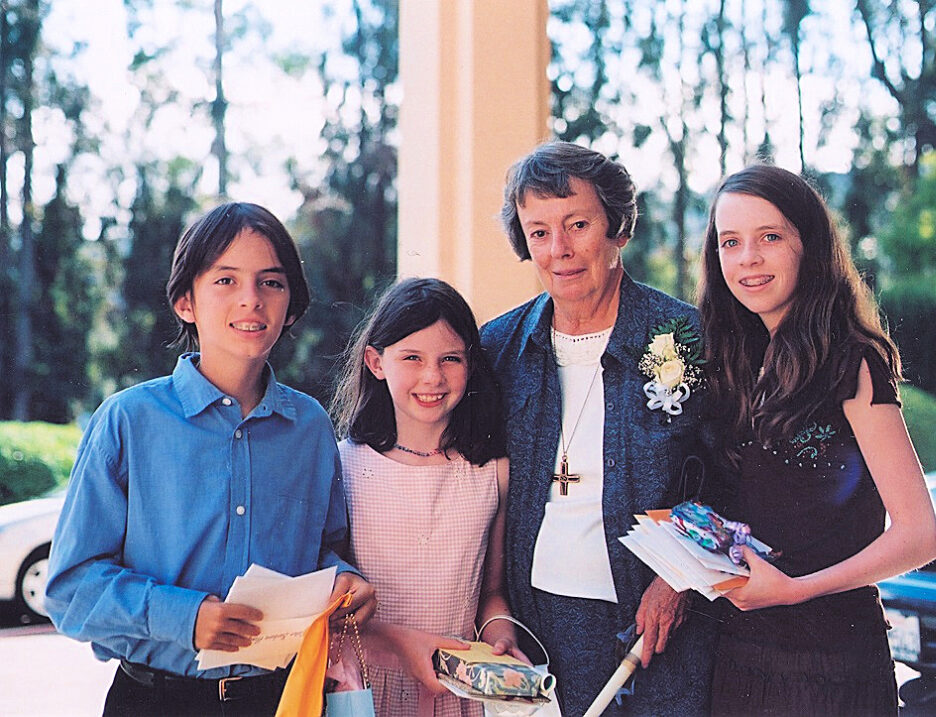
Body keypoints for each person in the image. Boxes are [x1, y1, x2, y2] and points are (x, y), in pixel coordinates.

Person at [45, 202, 376, 717]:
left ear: (291, 307)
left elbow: (320, 552)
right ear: (185, 302)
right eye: (226, 280)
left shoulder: (310, 428)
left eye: (271, 282)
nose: (251, 300)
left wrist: (341, 582)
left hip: (282, 699)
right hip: (156, 701)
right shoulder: (129, 421)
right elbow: (69, 590)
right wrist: (185, 616)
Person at [480, 141, 717, 716]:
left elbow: (730, 473)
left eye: (577, 224)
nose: (559, 250)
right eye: (538, 232)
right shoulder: (498, 347)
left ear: (616, 227)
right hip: (536, 624)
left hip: (654, 620)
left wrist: (680, 573)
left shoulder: (685, 337)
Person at [697, 164, 936, 716]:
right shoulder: (734, 360)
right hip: (740, 659)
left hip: (831, 665)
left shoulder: (853, 360)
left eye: (770, 238)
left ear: (808, 245)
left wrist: (796, 589)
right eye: (730, 242)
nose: (747, 259)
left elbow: (920, 535)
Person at [329, 277, 525, 717]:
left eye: (450, 359)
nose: (432, 377)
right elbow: (333, 613)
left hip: (457, 694)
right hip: (363, 690)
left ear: (470, 366)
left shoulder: (491, 472)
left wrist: (500, 637)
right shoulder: (343, 468)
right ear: (376, 362)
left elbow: (490, 593)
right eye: (412, 358)